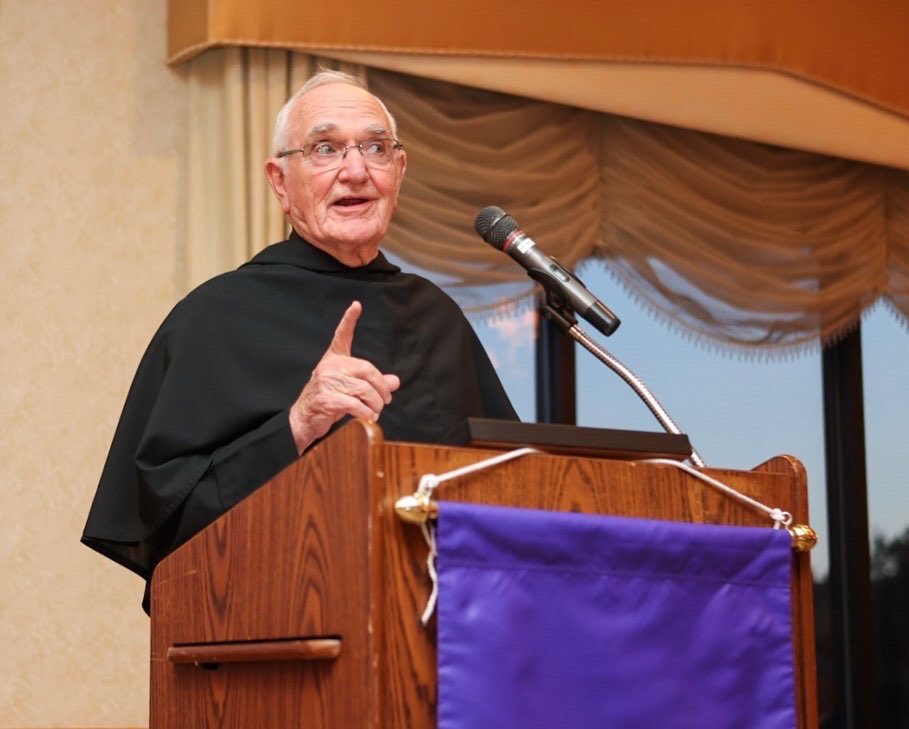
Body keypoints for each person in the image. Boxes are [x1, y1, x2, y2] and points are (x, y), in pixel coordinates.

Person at [81, 70, 518, 612]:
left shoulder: (437, 317)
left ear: (398, 172)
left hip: (443, 645)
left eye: (376, 148)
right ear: (280, 182)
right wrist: (299, 423)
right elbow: (171, 531)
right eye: (326, 148)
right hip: (279, 644)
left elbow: (508, 490)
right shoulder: (213, 318)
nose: (355, 171)